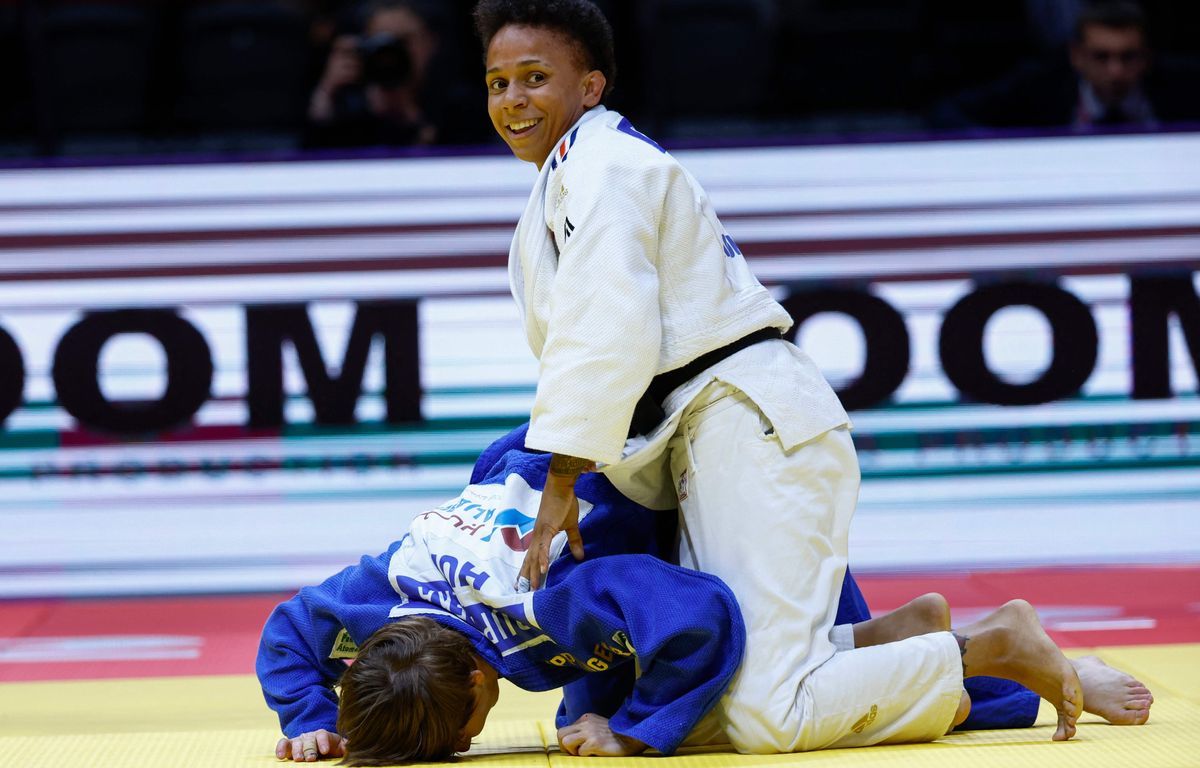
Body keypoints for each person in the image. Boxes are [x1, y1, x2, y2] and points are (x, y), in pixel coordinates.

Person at [475, 0, 1090, 754]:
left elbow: (607, 329)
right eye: (498, 82)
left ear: (592, 86)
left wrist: (562, 476)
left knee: (769, 714)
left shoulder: (604, 167)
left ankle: (986, 652)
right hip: (712, 429)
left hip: (746, 420)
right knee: (722, 679)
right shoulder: (575, 176)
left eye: (534, 77)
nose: (513, 99)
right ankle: (911, 641)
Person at [257, 426, 1153, 763]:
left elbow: (698, 618)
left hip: (682, 520)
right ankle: (893, 637)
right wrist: (308, 716)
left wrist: (638, 728)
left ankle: (997, 662)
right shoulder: (373, 599)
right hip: (549, 465)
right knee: (586, 698)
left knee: (734, 714)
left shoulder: (542, 611)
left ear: (474, 708)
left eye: (463, 743)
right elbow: (289, 630)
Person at [933, 1, 1200, 131]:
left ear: (1147, 57)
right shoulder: (1041, 83)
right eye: (1101, 57)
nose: (1115, 71)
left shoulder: (1182, 85)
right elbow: (948, 111)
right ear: (1077, 55)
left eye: (1128, 57)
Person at [304, 0, 488, 149]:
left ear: (431, 42)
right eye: (380, 40)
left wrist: (408, 115)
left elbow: (462, 166)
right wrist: (327, 92)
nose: (391, 52)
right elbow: (310, 162)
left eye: (403, 41)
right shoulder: (351, 98)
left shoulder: (460, 101)